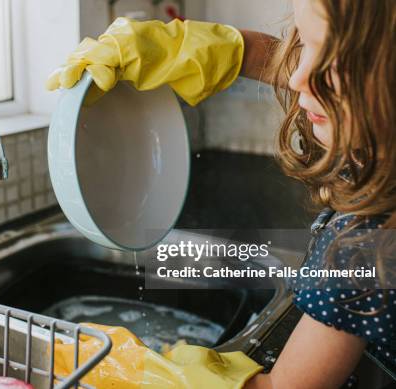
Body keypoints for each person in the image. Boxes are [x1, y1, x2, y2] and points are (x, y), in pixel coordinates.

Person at [48, 0, 395, 388]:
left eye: (332, 59)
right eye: (304, 42)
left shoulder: (369, 240)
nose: (296, 76)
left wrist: (143, 375)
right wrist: (230, 49)